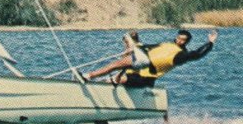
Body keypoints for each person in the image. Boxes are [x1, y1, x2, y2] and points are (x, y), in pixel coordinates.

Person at [84, 29, 218, 88]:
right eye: (178, 38)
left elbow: (197, 55)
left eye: (183, 40)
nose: (179, 41)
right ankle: (89, 76)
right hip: (137, 69)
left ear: (186, 42)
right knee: (118, 63)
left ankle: (96, 79)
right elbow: (145, 47)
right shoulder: (166, 45)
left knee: (118, 74)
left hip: (145, 78)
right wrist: (134, 39)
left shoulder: (181, 55)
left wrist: (210, 43)